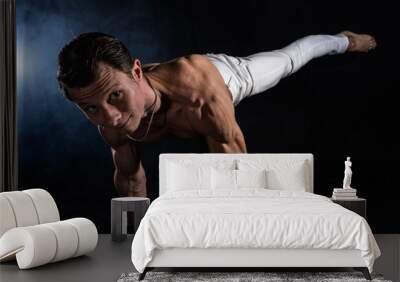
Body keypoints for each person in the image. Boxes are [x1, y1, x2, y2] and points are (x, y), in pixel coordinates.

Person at [57, 31, 377, 197]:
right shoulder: (111, 122)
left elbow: (239, 171)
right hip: (171, 84)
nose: (111, 117)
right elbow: (130, 182)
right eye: (90, 108)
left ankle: (342, 41)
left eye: (116, 96)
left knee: (291, 58)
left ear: (137, 71)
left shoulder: (198, 97)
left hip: (227, 76)